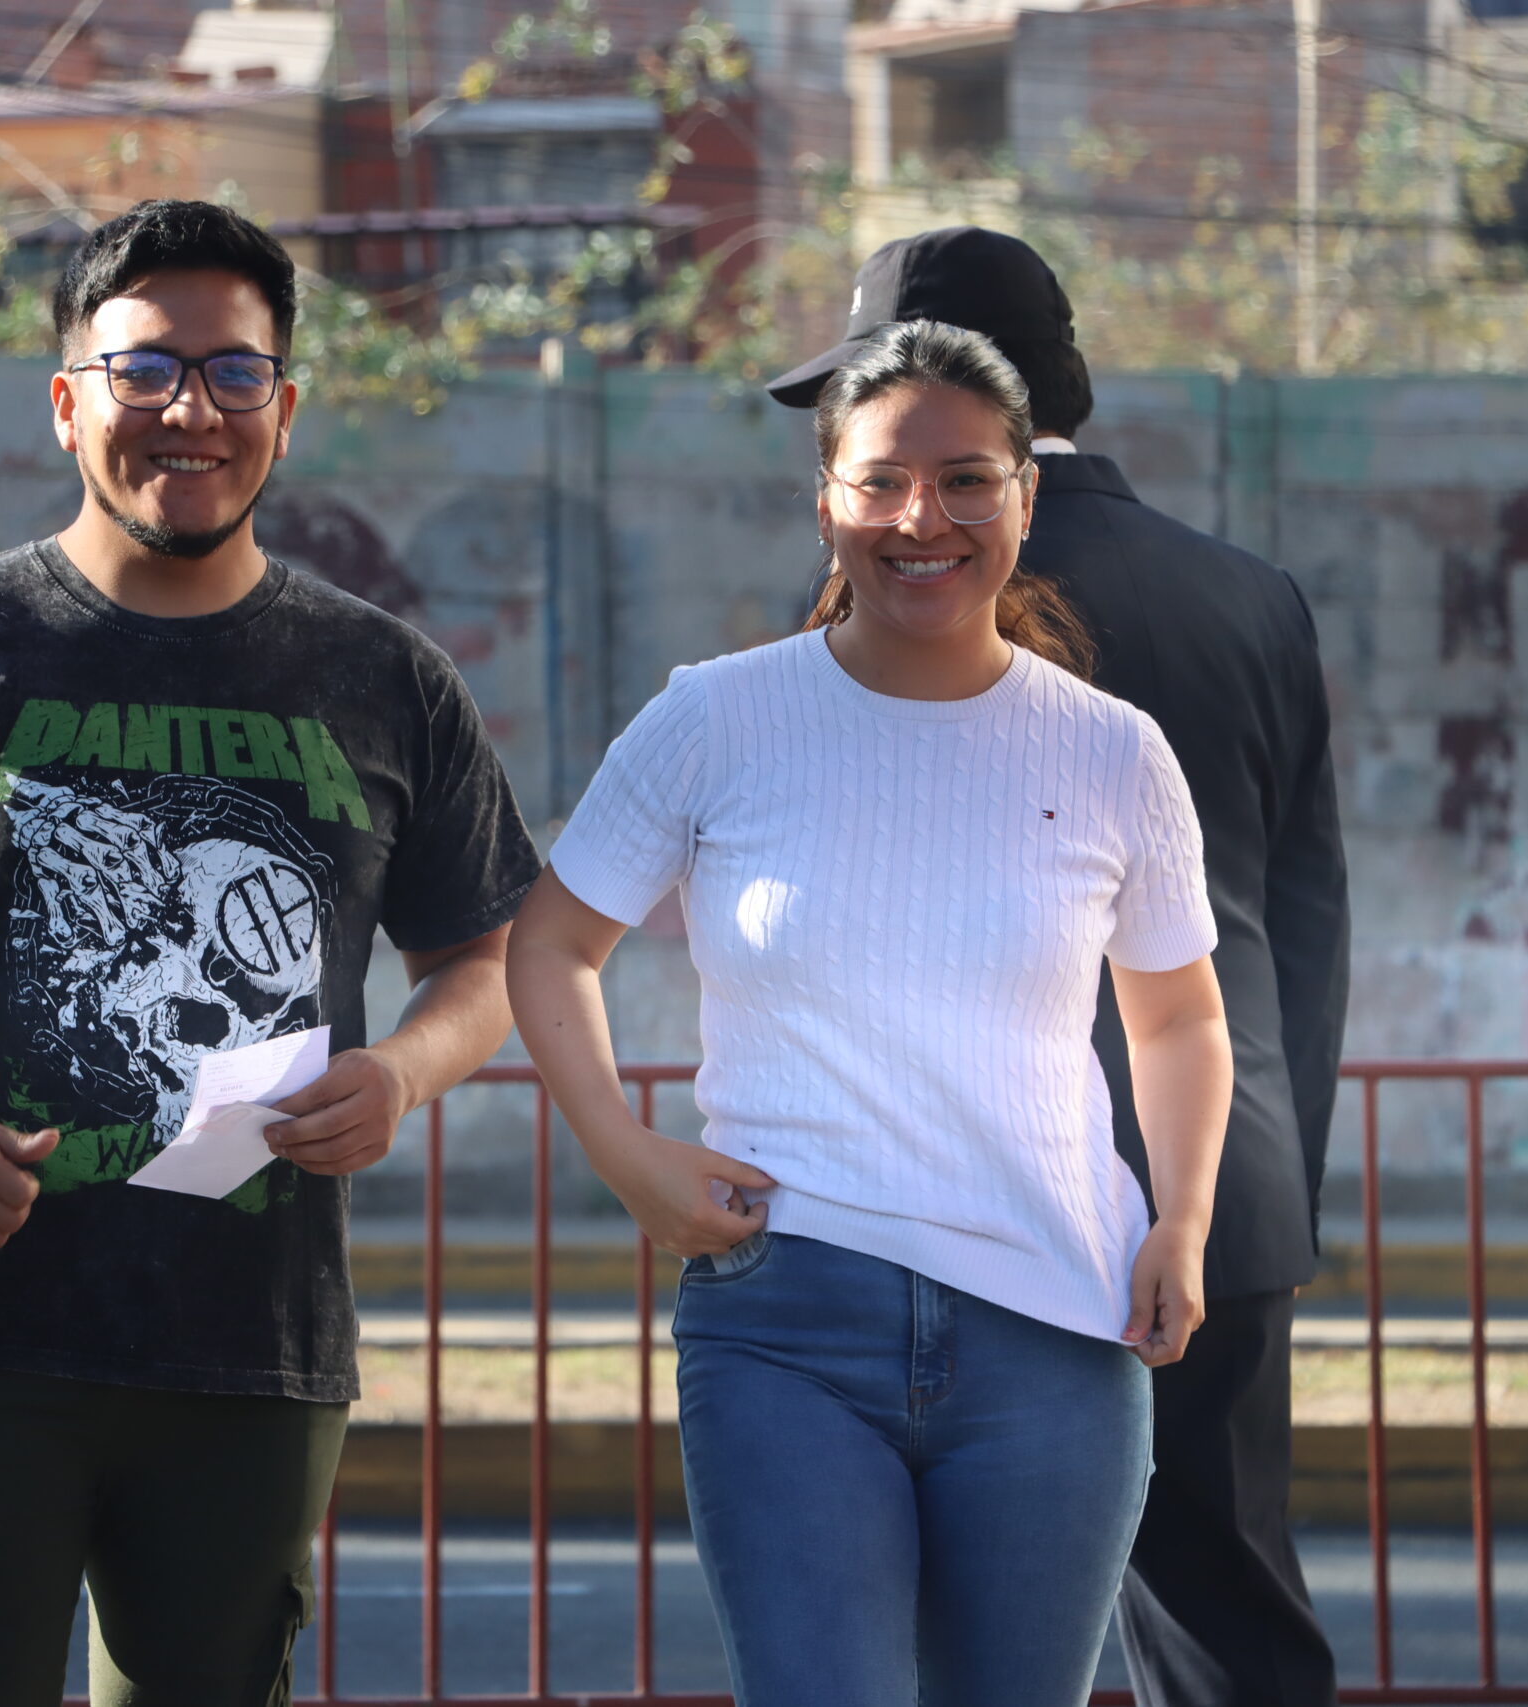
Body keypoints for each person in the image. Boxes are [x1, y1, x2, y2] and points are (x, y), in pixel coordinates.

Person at [0, 198, 540, 1707]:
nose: (191, 411)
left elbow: (482, 965)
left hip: (251, 1342)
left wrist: (403, 1077)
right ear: (68, 402)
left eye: (235, 373)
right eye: (145, 370)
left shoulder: (385, 679)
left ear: (284, 407)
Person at [507, 321, 1234, 1707]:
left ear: (1026, 496)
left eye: (966, 482)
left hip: (1054, 1326)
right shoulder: (716, 719)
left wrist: (1185, 1219)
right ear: (826, 499)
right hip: (785, 1318)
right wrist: (625, 1152)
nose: (923, 520)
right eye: (883, 482)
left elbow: (1179, 1020)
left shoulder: (1114, 751)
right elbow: (551, 946)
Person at [768, 227, 1351, 1707]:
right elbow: (1306, 928)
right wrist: (1252, 1187)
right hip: (1213, 1199)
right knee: (1228, 1619)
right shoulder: (1253, 596)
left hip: (963, 1201)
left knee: (945, 1635)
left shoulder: (887, 590)